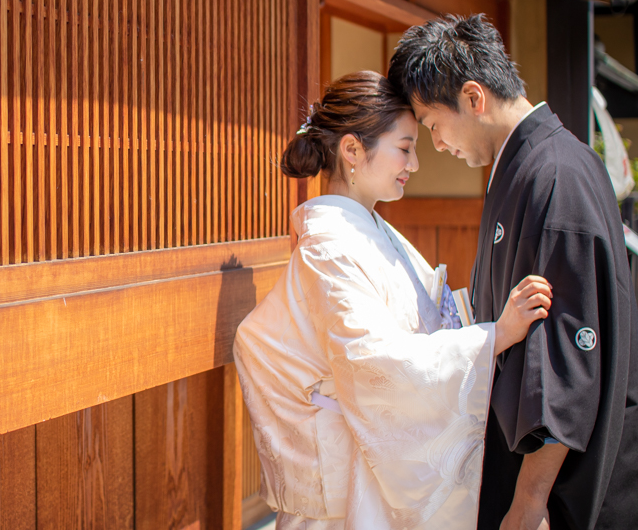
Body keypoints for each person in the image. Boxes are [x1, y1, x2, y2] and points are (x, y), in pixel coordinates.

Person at [233, 71, 552, 529]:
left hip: (381, 462)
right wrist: (493, 337)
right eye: (404, 148)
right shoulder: (329, 248)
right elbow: (374, 364)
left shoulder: (369, 230)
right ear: (352, 150)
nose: (414, 164)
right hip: (357, 479)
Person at [388, 13, 638, 530]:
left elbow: (565, 358)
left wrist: (529, 501)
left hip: (558, 487)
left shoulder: (553, 176)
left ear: (474, 98)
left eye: (434, 125)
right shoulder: (533, 166)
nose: (436, 145)